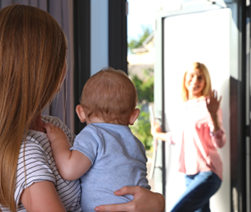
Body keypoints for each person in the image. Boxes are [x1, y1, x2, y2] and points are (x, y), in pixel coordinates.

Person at [0, 4, 165, 212]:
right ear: (47, 71)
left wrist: (156, 202)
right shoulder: (25, 154)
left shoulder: (52, 126)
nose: (65, 67)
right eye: (62, 58)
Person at [44, 67, 151, 211]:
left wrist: (59, 140)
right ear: (134, 115)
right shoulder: (137, 144)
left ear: (81, 112)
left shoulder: (93, 134)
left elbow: (69, 170)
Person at [152, 62, 226, 212]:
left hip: (208, 172)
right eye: (191, 76)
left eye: (200, 77)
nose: (195, 81)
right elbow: (181, 137)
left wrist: (213, 115)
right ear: (185, 78)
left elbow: (220, 141)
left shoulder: (209, 105)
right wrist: (157, 134)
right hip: (189, 173)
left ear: (205, 82)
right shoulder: (184, 106)